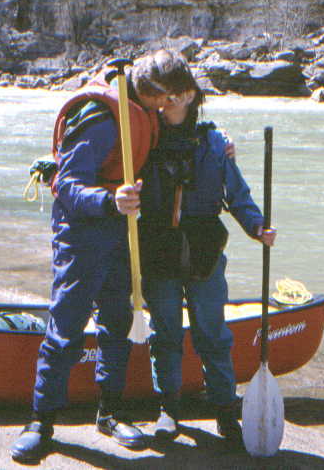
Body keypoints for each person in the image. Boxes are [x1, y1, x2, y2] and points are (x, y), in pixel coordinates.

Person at [11, 49, 200, 463]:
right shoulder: (99, 118)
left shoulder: (148, 108)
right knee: (67, 325)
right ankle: (40, 420)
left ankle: (110, 412)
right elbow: (67, 185)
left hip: (120, 227)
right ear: (151, 93)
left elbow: (183, 126)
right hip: (82, 229)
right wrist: (109, 200)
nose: (170, 107)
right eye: (167, 100)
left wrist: (220, 144)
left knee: (117, 321)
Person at [138, 84, 277, 445]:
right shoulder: (144, 135)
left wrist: (257, 226)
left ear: (191, 98)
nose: (170, 100)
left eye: (179, 93)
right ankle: (168, 408)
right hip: (158, 245)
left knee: (213, 334)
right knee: (165, 332)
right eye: (166, 94)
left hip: (204, 248)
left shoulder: (214, 142)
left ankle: (225, 411)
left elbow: (238, 194)